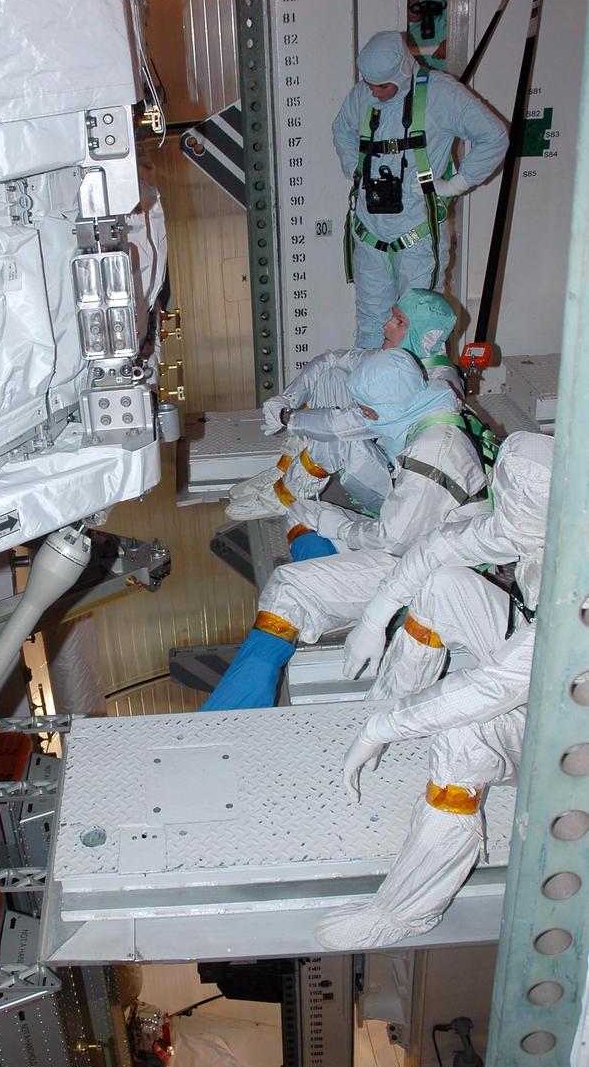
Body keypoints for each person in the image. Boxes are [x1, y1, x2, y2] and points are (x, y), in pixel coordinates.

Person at [316, 431, 553, 950]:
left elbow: (492, 686)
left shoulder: (577, 593)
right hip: (549, 673)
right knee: (441, 586)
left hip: (571, 734)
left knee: (466, 733)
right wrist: (376, 617)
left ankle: (407, 911)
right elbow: (441, 547)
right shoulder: (549, 521)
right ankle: (389, 704)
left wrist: (383, 728)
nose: (506, 523)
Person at [200, 349, 488, 711]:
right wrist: (331, 522)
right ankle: (328, 598)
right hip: (421, 539)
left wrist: (342, 526)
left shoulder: (432, 453)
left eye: (367, 410)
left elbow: (394, 540)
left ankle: (230, 714)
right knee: (303, 513)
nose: (362, 416)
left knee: (289, 587)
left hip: (428, 568)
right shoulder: (428, 407)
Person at [227, 289, 460, 529]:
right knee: (330, 377)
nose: (386, 325)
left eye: (399, 321)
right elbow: (331, 360)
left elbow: (344, 426)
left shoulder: (438, 379)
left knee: (338, 440)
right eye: (392, 317)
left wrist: (288, 417)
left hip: (403, 495)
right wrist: (287, 399)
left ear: (426, 336)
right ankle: (285, 468)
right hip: (387, 458)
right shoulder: (402, 357)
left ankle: (285, 497)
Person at [334, 31, 507, 348]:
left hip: (416, 234)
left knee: (418, 324)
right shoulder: (362, 95)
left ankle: (416, 379)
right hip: (369, 230)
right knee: (372, 325)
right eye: (370, 84)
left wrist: (454, 185)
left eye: (382, 86)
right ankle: (369, 377)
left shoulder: (441, 94)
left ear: (402, 69)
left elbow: (494, 136)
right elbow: (342, 129)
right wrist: (354, 168)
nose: (374, 92)